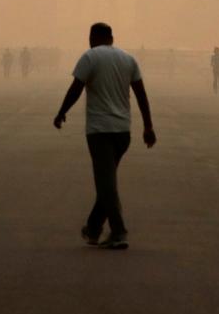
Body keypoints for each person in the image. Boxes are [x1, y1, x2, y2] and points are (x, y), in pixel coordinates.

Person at [53, 22, 155, 250]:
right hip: (123, 132)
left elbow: (76, 88)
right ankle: (93, 228)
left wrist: (61, 112)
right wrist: (148, 126)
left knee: (106, 185)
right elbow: (141, 94)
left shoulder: (90, 57)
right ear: (112, 37)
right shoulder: (128, 59)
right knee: (106, 181)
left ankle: (119, 232)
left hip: (100, 131)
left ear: (94, 37)